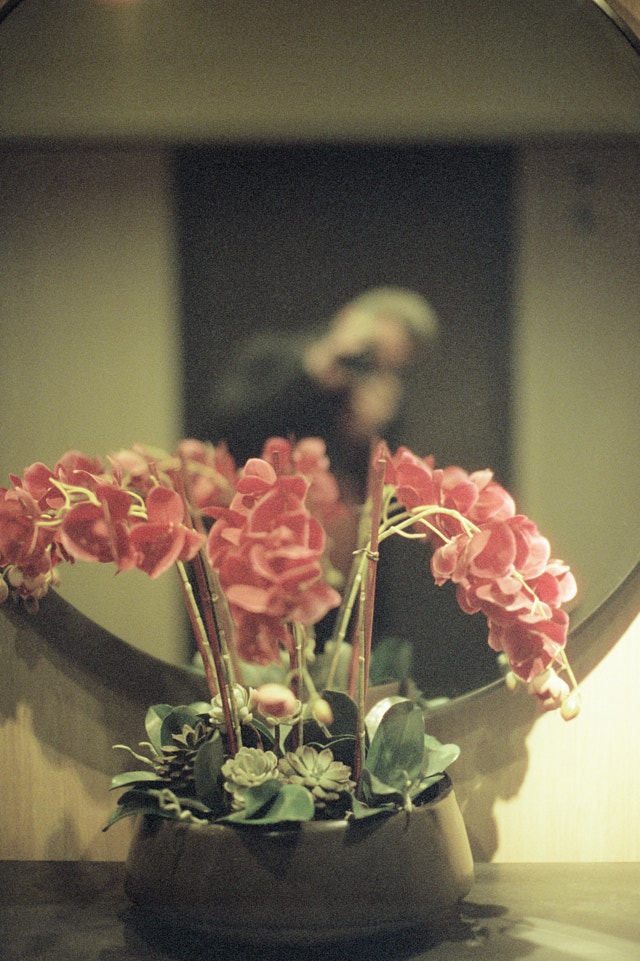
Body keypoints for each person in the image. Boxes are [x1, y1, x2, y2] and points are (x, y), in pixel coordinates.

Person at [206, 287, 499, 697]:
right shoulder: (270, 357)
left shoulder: (375, 396)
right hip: (253, 553)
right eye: (369, 349)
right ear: (348, 319)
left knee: (334, 680)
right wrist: (310, 371)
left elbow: (373, 492)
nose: (368, 366)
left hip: (337, 573)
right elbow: (225, 423)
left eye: (383, 363)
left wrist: (365, 432)